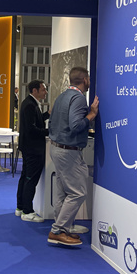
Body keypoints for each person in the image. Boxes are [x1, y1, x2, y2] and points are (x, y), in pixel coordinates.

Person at [47, 67, 98, 246]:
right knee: (78, 192)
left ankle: (63, 229)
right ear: (85, 80)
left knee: (62, 192)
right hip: (68, 151)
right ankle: (58, 230)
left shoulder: (62, 96)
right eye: (89, 78)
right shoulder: (78, 98)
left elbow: (51, 122)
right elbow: (76, 125)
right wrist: (91, 114)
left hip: (57, 148)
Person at [16, 80, 50, 222]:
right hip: (33, 149)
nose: (45, 92)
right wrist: (49, 132)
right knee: (30, 179)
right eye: (43, 90)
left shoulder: (30, 103)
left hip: (29, 147)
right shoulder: (30, 105)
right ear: (35, 90)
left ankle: (20, 207)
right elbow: (32, 129)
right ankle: (27, 211)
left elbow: (36, 121)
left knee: (25, 177)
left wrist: (47, 114)